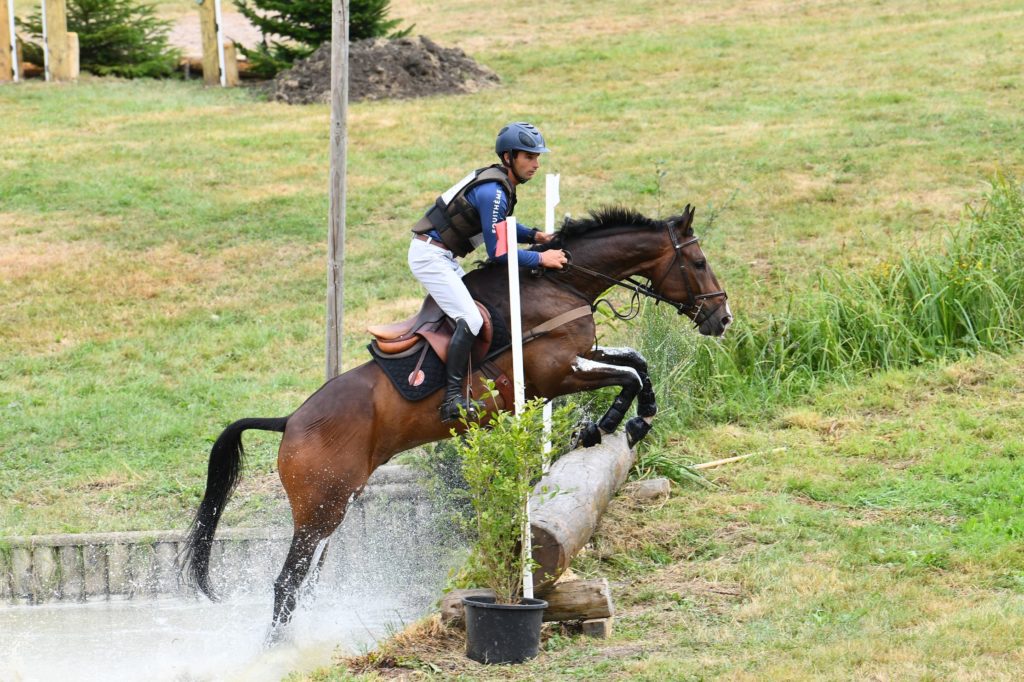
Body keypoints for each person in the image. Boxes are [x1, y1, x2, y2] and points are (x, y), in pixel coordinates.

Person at [409, 122, 569, 423]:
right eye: (529, 157)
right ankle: (452, 399)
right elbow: (498, 252)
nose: (535, 165)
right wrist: (541, 257)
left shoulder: (498, 184)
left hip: (442, 254)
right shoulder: (494, 191)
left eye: (538, 158)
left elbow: (499, 228)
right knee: (469, 318)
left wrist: (536, 235)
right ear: (509, 157)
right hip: (430, 256)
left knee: (483, 313)